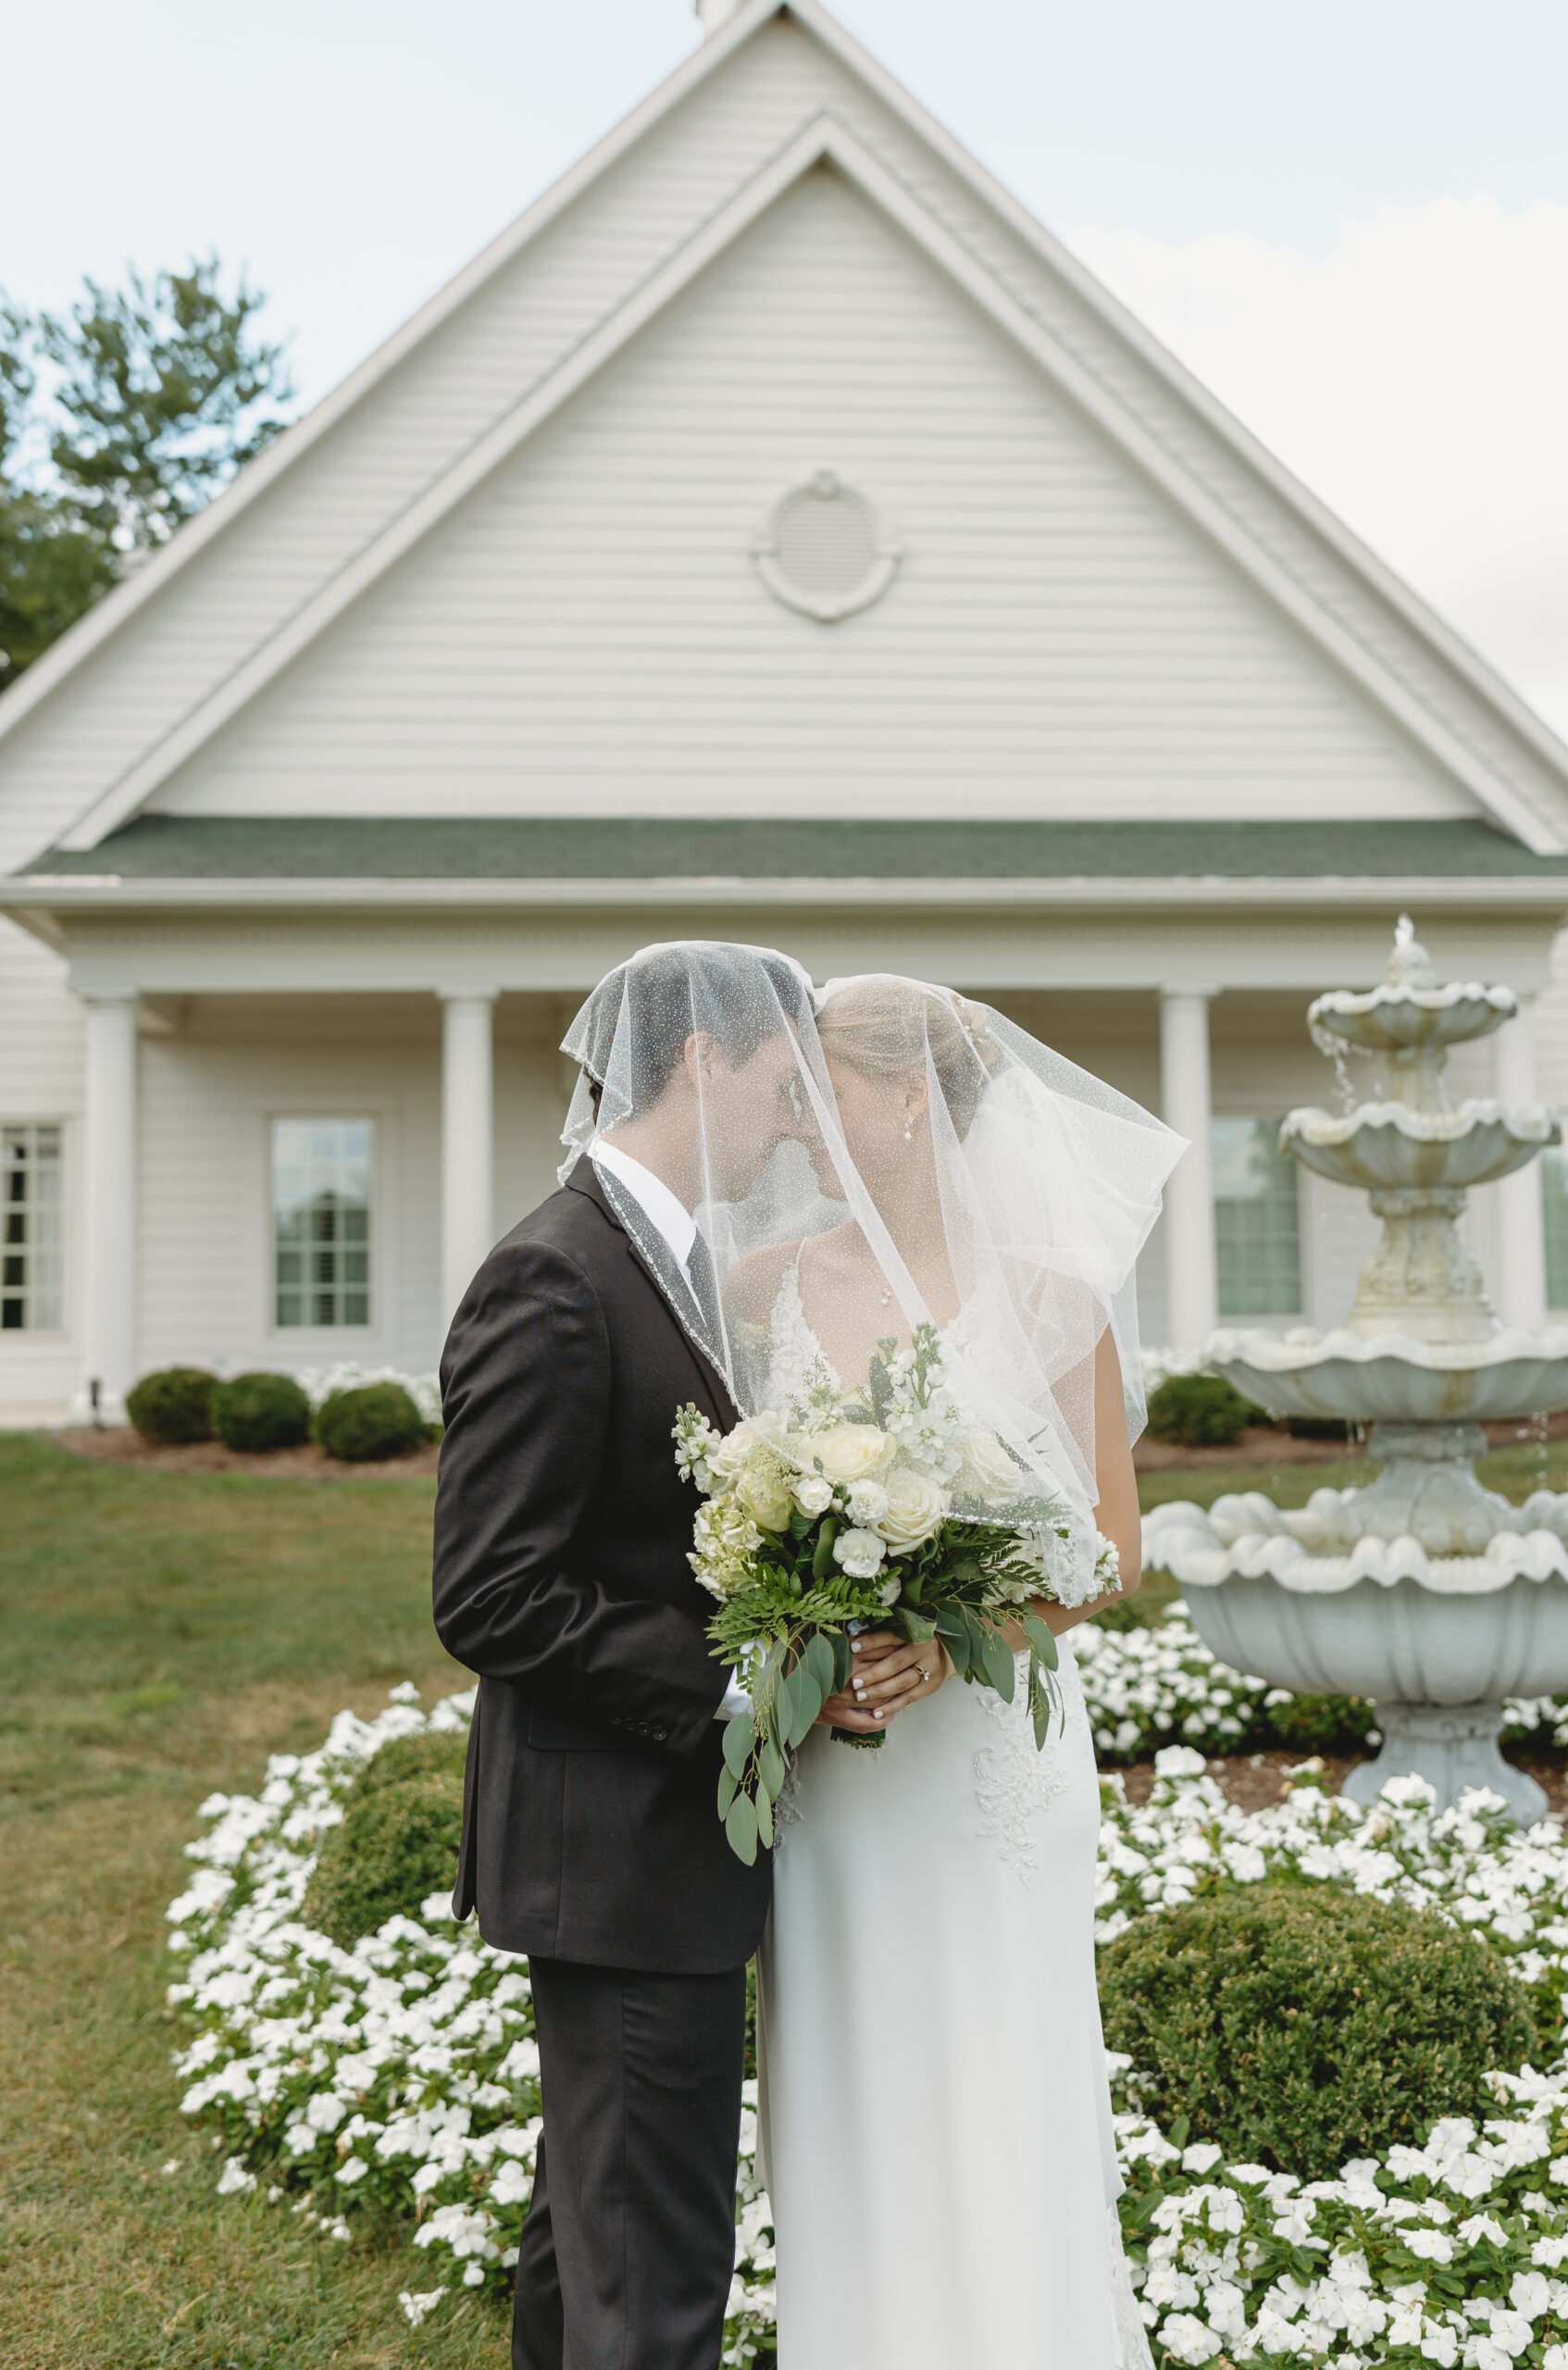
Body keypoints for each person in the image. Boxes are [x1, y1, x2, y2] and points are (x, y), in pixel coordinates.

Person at [724, 974, 1185, 2370]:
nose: (799, 1120)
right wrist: (794, 1623)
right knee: (855, 2069)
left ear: (910, 1100)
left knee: (997, 2065)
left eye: (827, 1092)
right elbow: (730, 1508)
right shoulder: (761, 1288)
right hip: (838, 1762)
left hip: (983, 1759)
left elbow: (1112, 1547)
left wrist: (954, 1633)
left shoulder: (1052, 1298)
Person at [431, 940, 822, 2370]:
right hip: (619, 1855)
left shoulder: (674, 1260)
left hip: (645, 1860)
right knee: (652, 2286)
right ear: (707, 1059)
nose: (799, 1120)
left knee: (596, 2252)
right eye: (786, 1083)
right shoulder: (557, 1271)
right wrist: (741, 1686)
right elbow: (488, 1590)